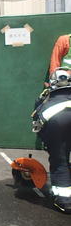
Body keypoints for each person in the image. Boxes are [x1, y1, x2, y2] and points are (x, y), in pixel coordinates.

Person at [32, 67, 71, 213]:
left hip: (57, 125)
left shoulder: (47, 100)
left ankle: (65, 202)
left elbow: (37, 122)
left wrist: (48, 142)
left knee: (60, 162)